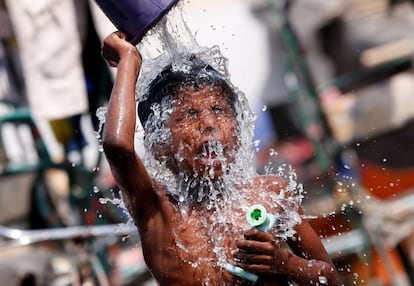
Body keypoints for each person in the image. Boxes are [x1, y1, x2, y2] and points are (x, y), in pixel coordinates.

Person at [101, 31, 340, 285]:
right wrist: (128, 59)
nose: (209, 123)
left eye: (219, 110)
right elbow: (118, 147)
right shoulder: (158, 212)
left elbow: (331, 278)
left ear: (238, 129)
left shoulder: (270, 195)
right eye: (189, 115)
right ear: (159, 145)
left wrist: (284, 262)